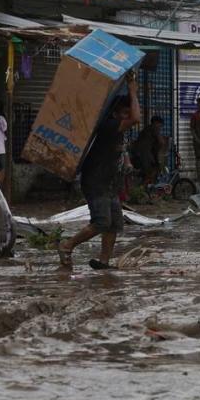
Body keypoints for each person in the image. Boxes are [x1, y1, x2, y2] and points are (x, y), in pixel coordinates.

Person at [58, 75, 141, 270]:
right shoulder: (109, 126)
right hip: (96, 182)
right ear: (115, 114)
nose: (128, 117)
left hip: (110, 185)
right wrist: (133, 91)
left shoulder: (117, 131)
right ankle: (67, 245)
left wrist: (127, 163)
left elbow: (121, 150)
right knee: (102, 221)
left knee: (114, 225)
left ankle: (104, 262)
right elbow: (136, 118)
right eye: (124, 113)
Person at [130, 116, 164, 184]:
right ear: (156, 123)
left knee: (146, 172)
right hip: (144, 154)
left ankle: (144, 186)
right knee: (152, 170)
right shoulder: (154, 128)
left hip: (137, 153)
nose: (160, 127)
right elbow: (161, 142)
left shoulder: (146, 129)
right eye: (160, 125)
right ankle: (145, 187)